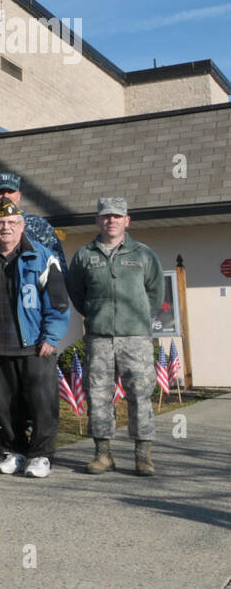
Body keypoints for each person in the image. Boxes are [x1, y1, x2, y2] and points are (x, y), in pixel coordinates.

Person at [0, 171, 67, 465]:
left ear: (22, 223)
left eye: (12, 222)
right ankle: (12, 449)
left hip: (34, 341)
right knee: (3, 402)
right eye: (0, 222)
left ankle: (41, 454)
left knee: (41, 402)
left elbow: (58, 298)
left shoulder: (42, 251)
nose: (6, 227)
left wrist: (51, 336)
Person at [65, 198, 164, 476]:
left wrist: (138, 319)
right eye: (106, 216)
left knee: (140, 395)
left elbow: (155, 293)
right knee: (98, 395)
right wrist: (97, 315)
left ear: (127, 220)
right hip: (99, 338)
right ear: (98, 221)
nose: (111, 221)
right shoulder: (85, 255)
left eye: (117, 216)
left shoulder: (144, 254)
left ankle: (142, 456)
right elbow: (77, 292)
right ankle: (103, 454)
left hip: (136, 339)